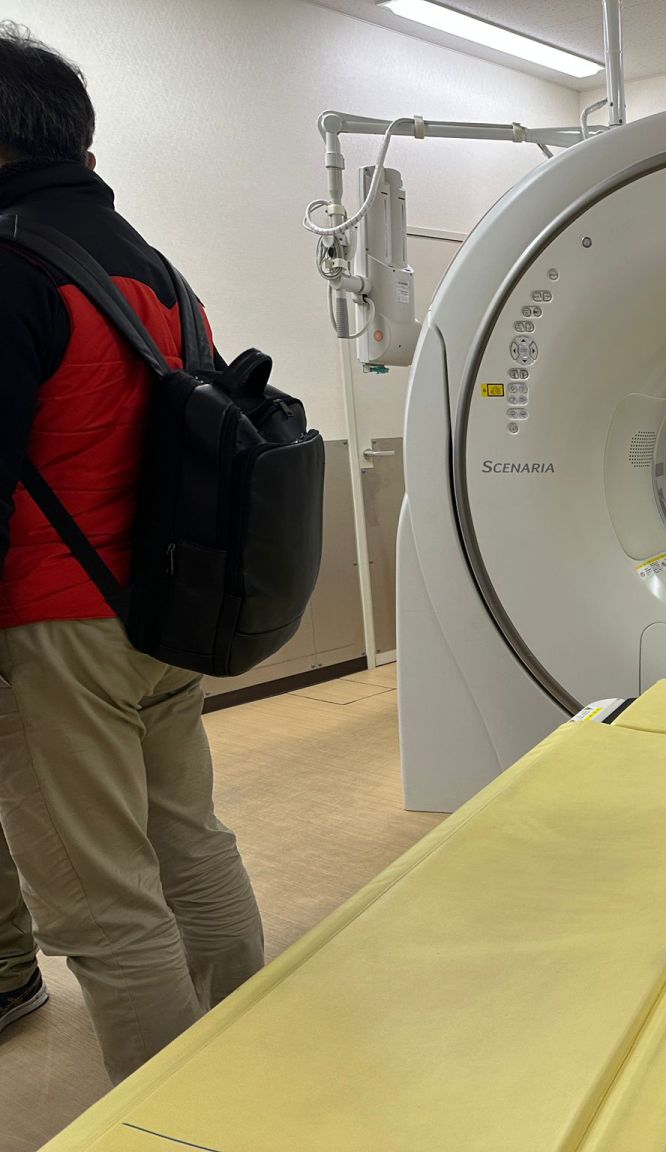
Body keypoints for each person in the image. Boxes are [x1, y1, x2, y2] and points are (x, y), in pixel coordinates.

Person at [0, 24, 263, 1080]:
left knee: (101, 900)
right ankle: (254, 1055)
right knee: (189, 841)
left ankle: (176, 1124)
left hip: (56, 630)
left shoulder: (12, 266)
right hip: (165, 610)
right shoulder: (157, 272)